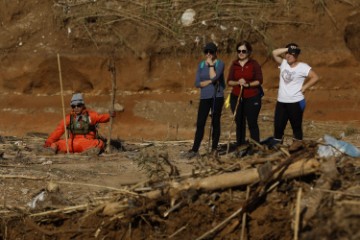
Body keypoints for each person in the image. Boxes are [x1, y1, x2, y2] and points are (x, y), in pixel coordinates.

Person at [270, 43, 319, 147]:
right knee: (278, 127)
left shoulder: (303, 67)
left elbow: (315, 77)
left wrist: (305, 87)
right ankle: (277, 148)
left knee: (296, 127)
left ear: (296, 56)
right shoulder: (283, 63)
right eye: (287, 54)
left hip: (296, 102)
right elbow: (274, 53)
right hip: (281, 102)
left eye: (292, 54)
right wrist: (288, 49)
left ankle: (297, 149)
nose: (289, 56)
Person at [185, 42, 225, 160]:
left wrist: (211, 66)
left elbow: (215, 77)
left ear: (216, 53)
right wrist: (209, 82)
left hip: (216, 96)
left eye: (211, 52)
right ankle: (195, 149)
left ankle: (214, 149)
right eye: (206, 52)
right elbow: (197, 83)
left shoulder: (220, 63)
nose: (208, 54)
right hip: (204, 97)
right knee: (200, 123)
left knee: (215, 122)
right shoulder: (201, 65)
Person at [44, 93, 115, 154]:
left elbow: (101, 118)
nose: (76, 108)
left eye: (79, 105)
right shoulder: (69, 118)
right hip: (72, 144)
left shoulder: (91, 115)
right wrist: (49, 142)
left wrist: (109, 115)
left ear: (83, 105)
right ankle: (51, 151)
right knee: (56, 144)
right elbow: (58, 130)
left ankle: (90, 152)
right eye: (73, 106)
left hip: (88, 143)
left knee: (99, 143)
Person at [227, 41, 263, 152]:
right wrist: (238, 82)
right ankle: (240, 146)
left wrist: (247, 84)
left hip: (252, 96)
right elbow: (229, 81)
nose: (241, 53)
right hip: (236, 97)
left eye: (244, 51)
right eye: (239, 51)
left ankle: (255, 147)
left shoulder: (254, 64)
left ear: (248, 52)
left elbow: (259, 80)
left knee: (252, 122)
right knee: (239, 122)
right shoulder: (234, 64)